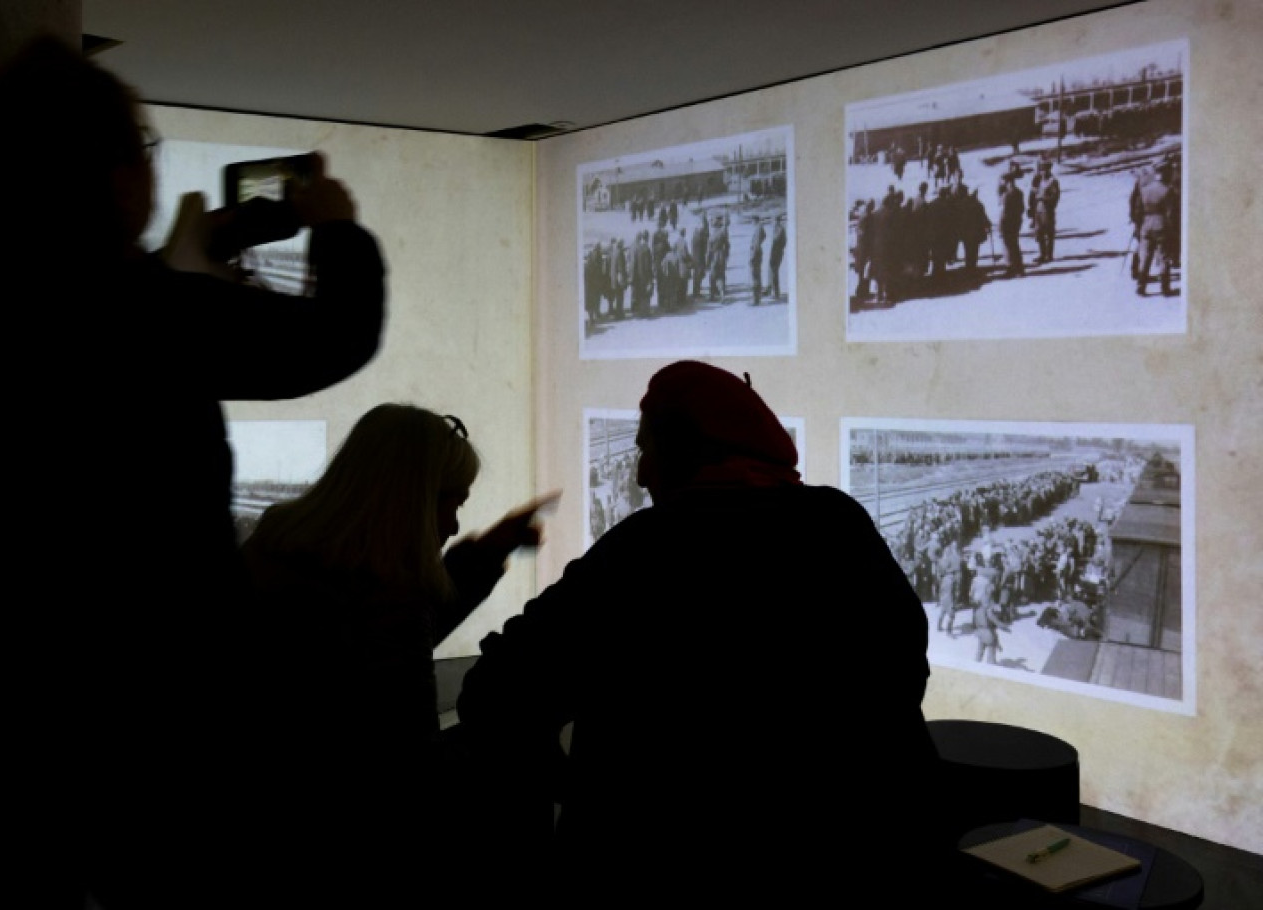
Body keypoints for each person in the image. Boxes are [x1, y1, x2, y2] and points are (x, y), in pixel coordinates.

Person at [0, 34, 386, 909]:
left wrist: (198, 251)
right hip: (156, 722)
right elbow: (335, 336)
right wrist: (338, 226)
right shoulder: (133, 314)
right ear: (115, 175)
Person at [454, 360, 957, 902]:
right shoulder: (840, 525)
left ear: (693, 450)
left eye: (648, 450)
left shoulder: (644, 551)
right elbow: (905, 673)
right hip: (856, 874)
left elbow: (493, 694)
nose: (641, 474)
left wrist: (579, 789)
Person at [240, 405, 558, 895]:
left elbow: (375, 640)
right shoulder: (388, 595)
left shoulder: (276, 555)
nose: (452, 525)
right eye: (449, 504)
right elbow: (409, 777)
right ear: (410, 500)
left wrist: (485, 553)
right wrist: (513, 741)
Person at [1135, 161, 1179, 298]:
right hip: (1161, 225)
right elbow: (1171, 213)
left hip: (1146, 225)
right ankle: (1165, 288)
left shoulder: (1145, 189)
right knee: (1164, 257)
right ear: (1165, 173)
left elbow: (1138, 210)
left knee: (1146, 256)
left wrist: (1139, 225)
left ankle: (1141, 286)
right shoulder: (1167, 191)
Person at [769, 213, 788, 299]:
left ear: (777, 220)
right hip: (776, 252)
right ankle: (774, 291)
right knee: (773, 272)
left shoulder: (779, 229)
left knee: (774, 272)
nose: (772, 222)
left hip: (777, 253)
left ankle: (776, 293)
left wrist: (778, 251)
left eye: (773, 220)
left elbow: (777, 241)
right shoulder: (777, 228)